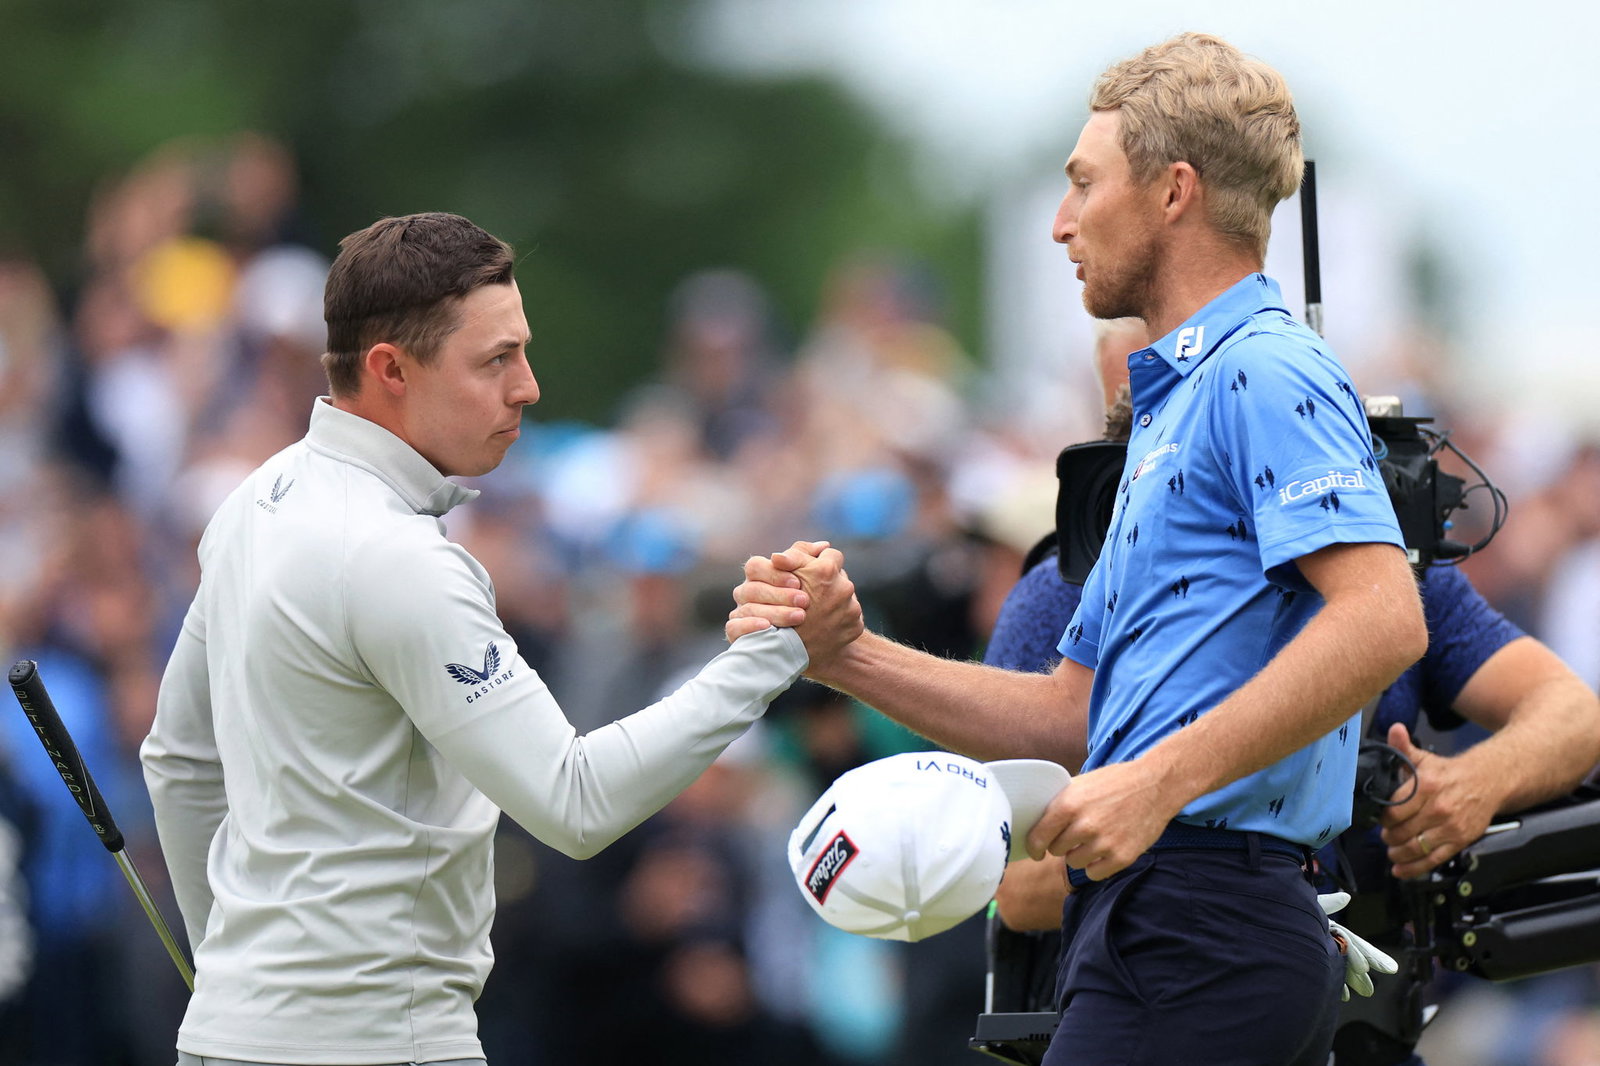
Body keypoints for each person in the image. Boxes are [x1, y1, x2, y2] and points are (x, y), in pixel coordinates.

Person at [730, 33, 1430, 1066]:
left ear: (1174, 192)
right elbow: (1071, 714)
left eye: (1084, 183)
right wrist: (846, 655)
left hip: (1205, 921)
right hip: (1163, 915)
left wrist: (1156, 782)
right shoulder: (1172, 407)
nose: (1062, 221)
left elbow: (1382, 618)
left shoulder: (1264, 368)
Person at [139, 212, 862, 1066]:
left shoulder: (253, 503)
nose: (529, 387)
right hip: (380, 1046)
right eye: (496, 360)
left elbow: (179, 762)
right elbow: (575, 802)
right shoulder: (398, 557)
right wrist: (780, 648)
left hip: (228, 1038)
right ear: (390, 369)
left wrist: (228, 974)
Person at [985, 325, 1600, 1066]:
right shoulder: (1065, 594)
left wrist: (1474, 783)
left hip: (1366, 1026)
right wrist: (1217, 863)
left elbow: (1572, 714)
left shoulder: (1378, 574)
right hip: (1158, 1006)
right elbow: (1016, 890)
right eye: (1138, 407)